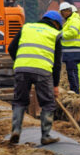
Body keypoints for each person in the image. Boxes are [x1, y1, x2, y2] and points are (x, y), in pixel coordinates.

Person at [7, 10, 64, 146]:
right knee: (48, 104)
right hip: (43, 70)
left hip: (22, 68)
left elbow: (11, 48)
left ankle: (15, 130)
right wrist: (55, 85)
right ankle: (46, 136)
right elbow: (57, 64)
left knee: (19, 101)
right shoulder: (55, 34)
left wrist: (20, 62)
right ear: (56, 23)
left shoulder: (26, 28)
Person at [59, 2, 80, 94]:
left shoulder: (74, 20)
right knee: (71, 70)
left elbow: (73, 32)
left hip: (72, 50)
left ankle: (75, 90)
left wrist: (61, 35)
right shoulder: (69, 20)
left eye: (63, 12)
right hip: (69, 50)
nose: (62, 15)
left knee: (72, 71)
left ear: (68, 11)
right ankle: (74, 89)